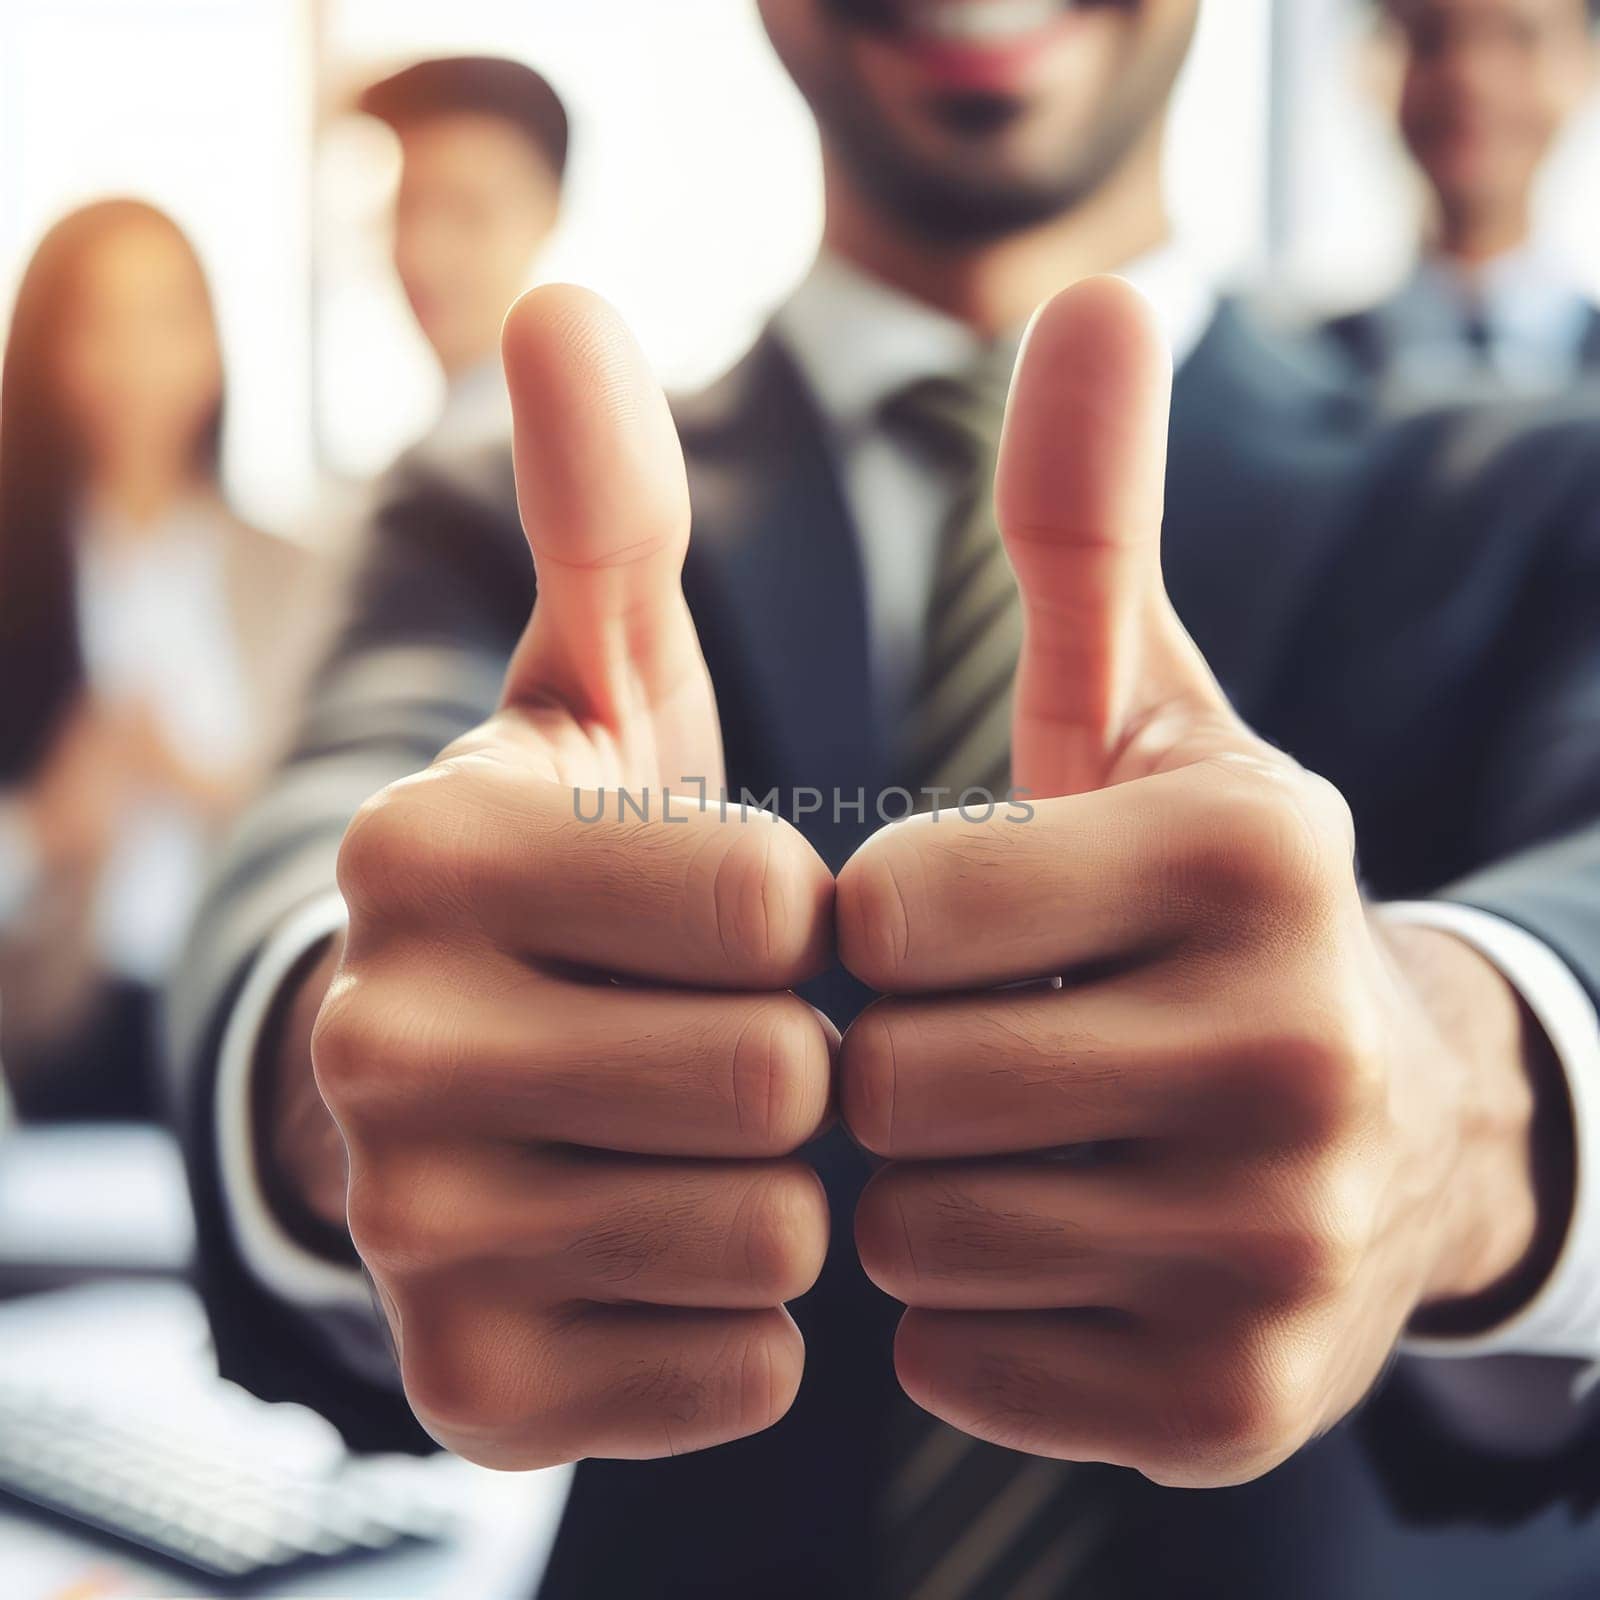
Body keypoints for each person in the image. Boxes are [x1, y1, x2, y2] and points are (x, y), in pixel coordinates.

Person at [167, 2, 1600, 1595]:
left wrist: (1475, 1101)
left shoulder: (1534, 483)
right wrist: (346, 1081)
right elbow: (326, 857)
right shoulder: (490, 499)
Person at [0, 200, 325, 1121]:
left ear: (215, 344)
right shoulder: (18, 572)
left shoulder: (295, 579)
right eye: (100, 323)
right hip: (49, 1045)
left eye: (168, 318)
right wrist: (43, 828)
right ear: (47, 350)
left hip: (256, 1038)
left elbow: (344, 823)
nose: (138, 362)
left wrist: (196, 780)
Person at [1323, 0, 1600, 402]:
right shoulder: (1293, 384)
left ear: (1588, 63)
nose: (1469, 75)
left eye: (1521, 36)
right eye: (1430, 38)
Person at [355, 55, 567, 455]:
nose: (423, 254)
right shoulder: (435, 455)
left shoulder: (541, 461)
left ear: (550, 214)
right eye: (407, 207)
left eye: (467, 212)